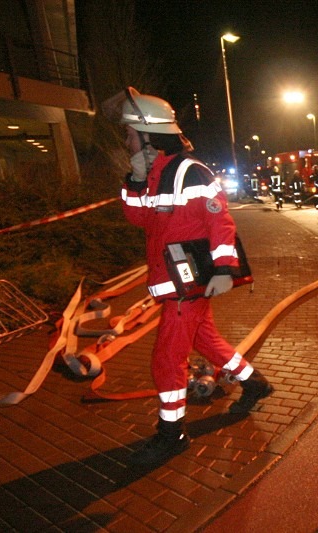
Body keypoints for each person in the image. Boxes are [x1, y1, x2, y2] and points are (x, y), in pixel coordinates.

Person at [110, 87, 273, 465]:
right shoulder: (151, 174)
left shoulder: (191, 171)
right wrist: (135, 181)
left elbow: (220, 219)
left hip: (191, 283)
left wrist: (225, 268)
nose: (127, 140)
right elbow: (139, 219)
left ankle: (172, 434)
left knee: (167, 358)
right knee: (208, 340)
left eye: (130, 133)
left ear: (149, 134)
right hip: (175, 281)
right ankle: (255, 383)